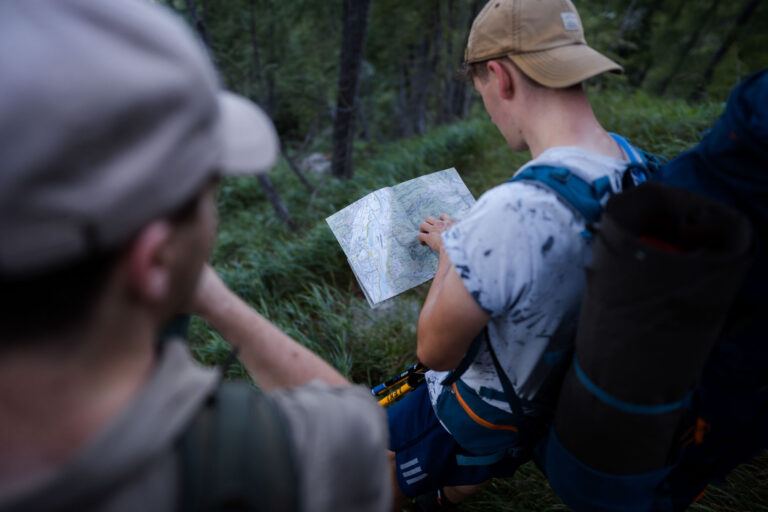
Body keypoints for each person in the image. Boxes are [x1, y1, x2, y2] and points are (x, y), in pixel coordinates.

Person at [0, 1, 389, 511]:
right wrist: (220, 305)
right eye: (210, 191)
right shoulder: (286, 454)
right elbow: (375, 459)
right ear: (153, 259)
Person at [386, 0, 650, 508]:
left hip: (482, 408)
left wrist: (450, 250)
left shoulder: (511, 212)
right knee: (464, 473)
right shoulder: (634, 165)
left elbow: (435, 352)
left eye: (481, 89)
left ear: (499, 76)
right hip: (550, 406)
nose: (486, 105)